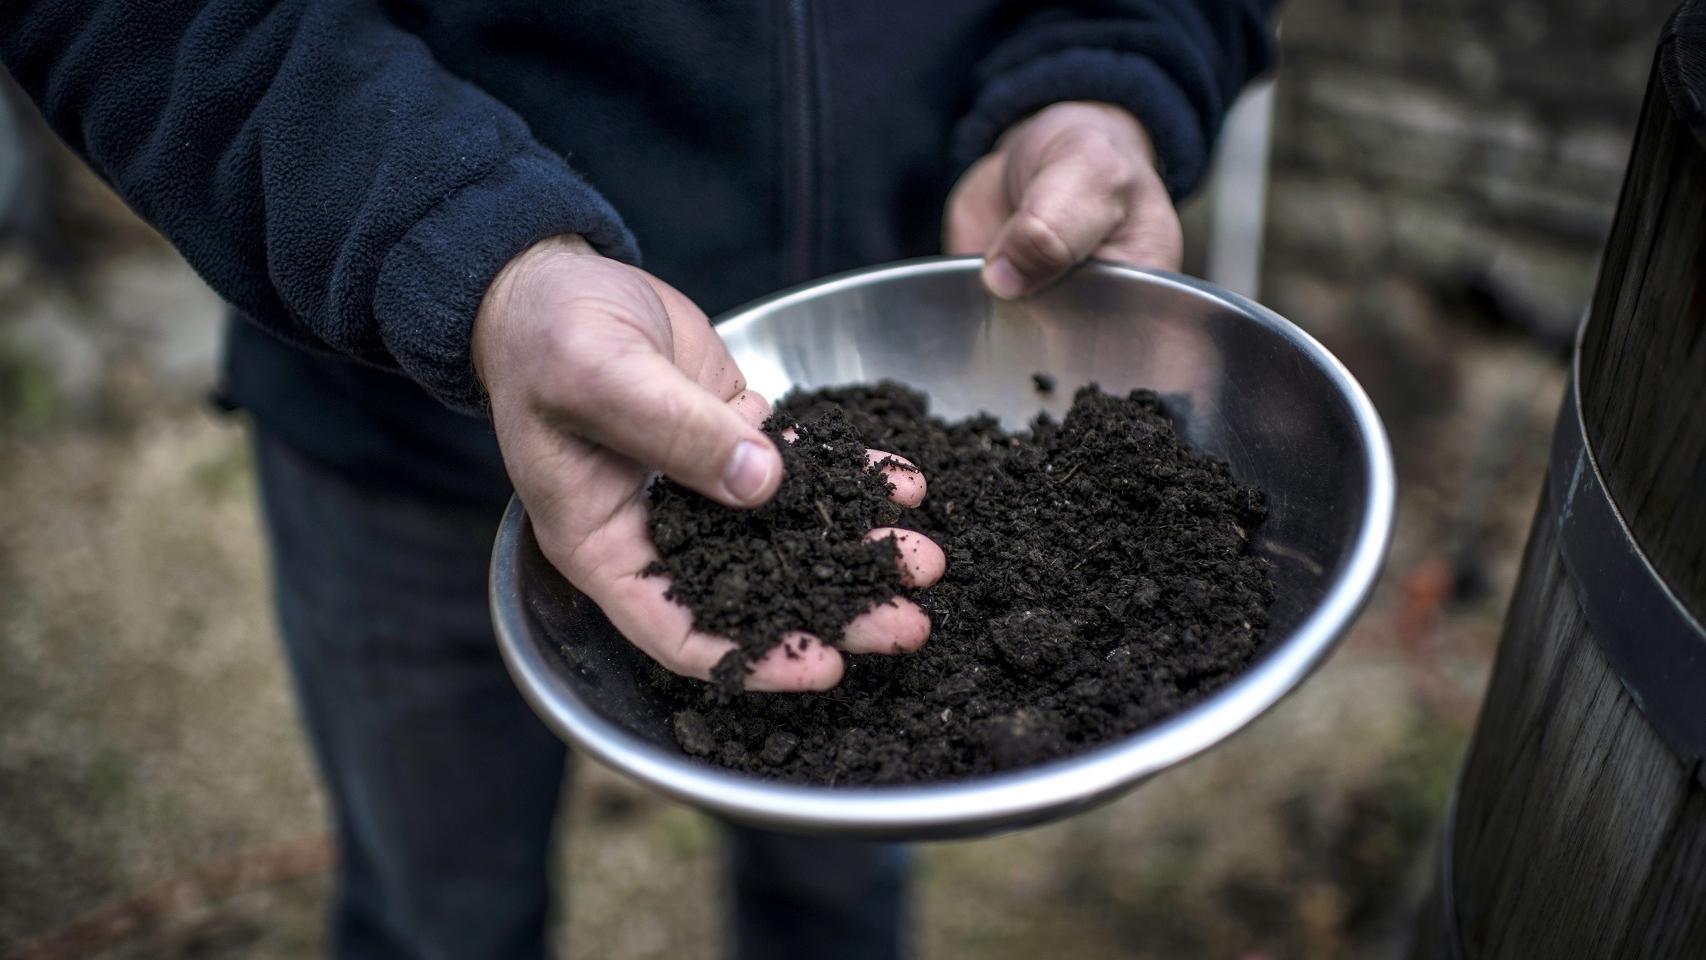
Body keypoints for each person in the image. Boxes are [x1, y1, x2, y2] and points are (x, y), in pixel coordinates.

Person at [1, 2, 1276, 957]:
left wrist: (1107, 70)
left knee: (836, 889)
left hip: (904, 389)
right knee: (437, 908)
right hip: (398, 394)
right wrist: (466, 258)